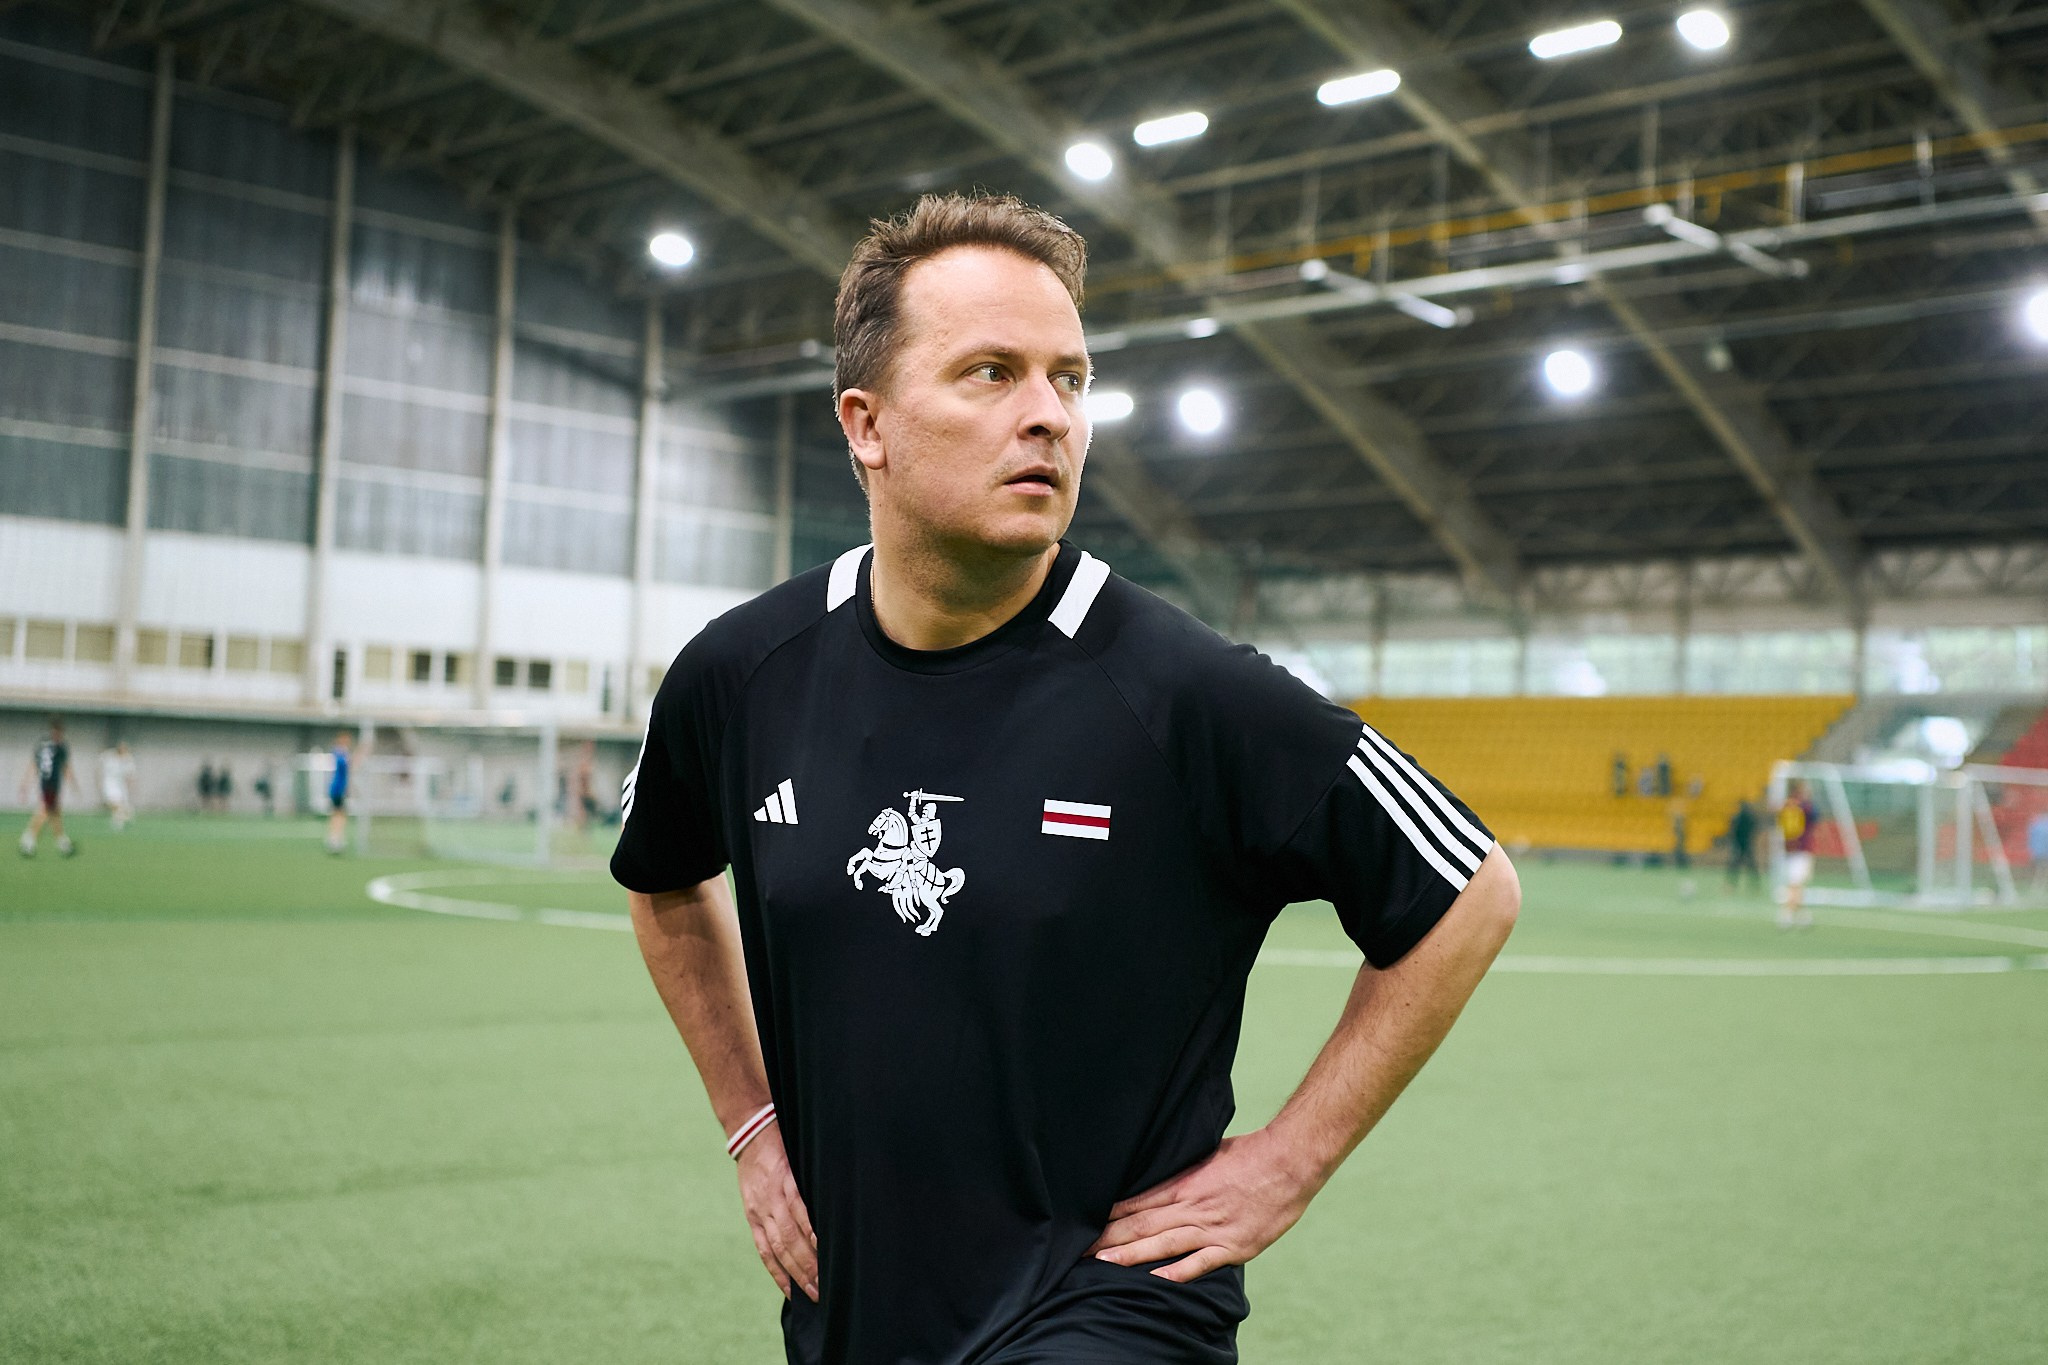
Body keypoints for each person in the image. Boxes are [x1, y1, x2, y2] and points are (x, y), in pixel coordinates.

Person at [611, 193, 1520, 1365]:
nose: (1048, 416)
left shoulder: (1189, 693)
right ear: (866, 424)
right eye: (991, 374)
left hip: (1110, 1307)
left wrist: (1289, 1161)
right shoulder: (741, 676)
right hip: (853, 1299)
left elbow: (1468, 888)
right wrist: (750, 1126)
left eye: (1069, 380)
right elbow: (664, 884)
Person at [19, 717, 83, 858]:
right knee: (45, 812)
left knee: (55, 813)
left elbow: (33, 765)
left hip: (44, 783)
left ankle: (63, 844)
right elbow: (65, 768)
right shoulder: (61, 746)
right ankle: (28, 840)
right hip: (52, 784)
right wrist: (74, 784)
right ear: (59, 731)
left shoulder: (42, 744)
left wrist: (25, 783)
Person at [1777, 779, 1819, 928]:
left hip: (1798, 850)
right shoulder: (1797, 807)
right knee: (1795, 885)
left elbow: (1814, 815)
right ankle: (1791, 916)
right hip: (1797, 851)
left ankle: (1797, 915)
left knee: (1796, 884)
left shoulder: (1796, 807)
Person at [98, 741, 136, 832]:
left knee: (121, 805)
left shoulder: (128, 759)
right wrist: (98, 781)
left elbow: (131, 774)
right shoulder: (109, 755)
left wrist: (130, 786)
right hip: (109, 783)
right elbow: (100, 765)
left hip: (120, 784)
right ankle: (121, 818)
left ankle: (120, 820)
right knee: (114, 803)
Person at [325, 731, 352, 855]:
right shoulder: (339, 753)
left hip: (339, 788)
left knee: (338, 814)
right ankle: (335, 839)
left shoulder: (341, 753)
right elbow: (346, 767)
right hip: (337, 789)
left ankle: (335, 838)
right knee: (339, 814)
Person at [1727, 798, 1761, 892]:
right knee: (1749, 865)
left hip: (1741, 844)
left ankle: (1731, 884)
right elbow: (1754, 827)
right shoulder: (1749, 816)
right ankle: (1755, 885)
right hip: (1746, 843)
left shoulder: (1739, 817)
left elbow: (1734, 830)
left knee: (1736, 865)